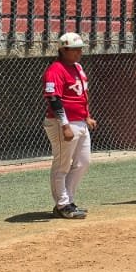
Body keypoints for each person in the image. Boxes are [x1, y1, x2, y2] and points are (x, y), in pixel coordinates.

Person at [43, 32, 95, 219]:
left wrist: (87, 116)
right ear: (63, 50)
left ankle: (69, 201)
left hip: (80, 121)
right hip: (62, 123)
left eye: (80, 49)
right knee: (62, 165)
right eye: (74, 50)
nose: (79, 52)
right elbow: (54, 99)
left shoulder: (78, 67)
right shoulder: (55, 70)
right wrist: (64, 125)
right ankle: (62, 204)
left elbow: (82, 95)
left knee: (83, 162)